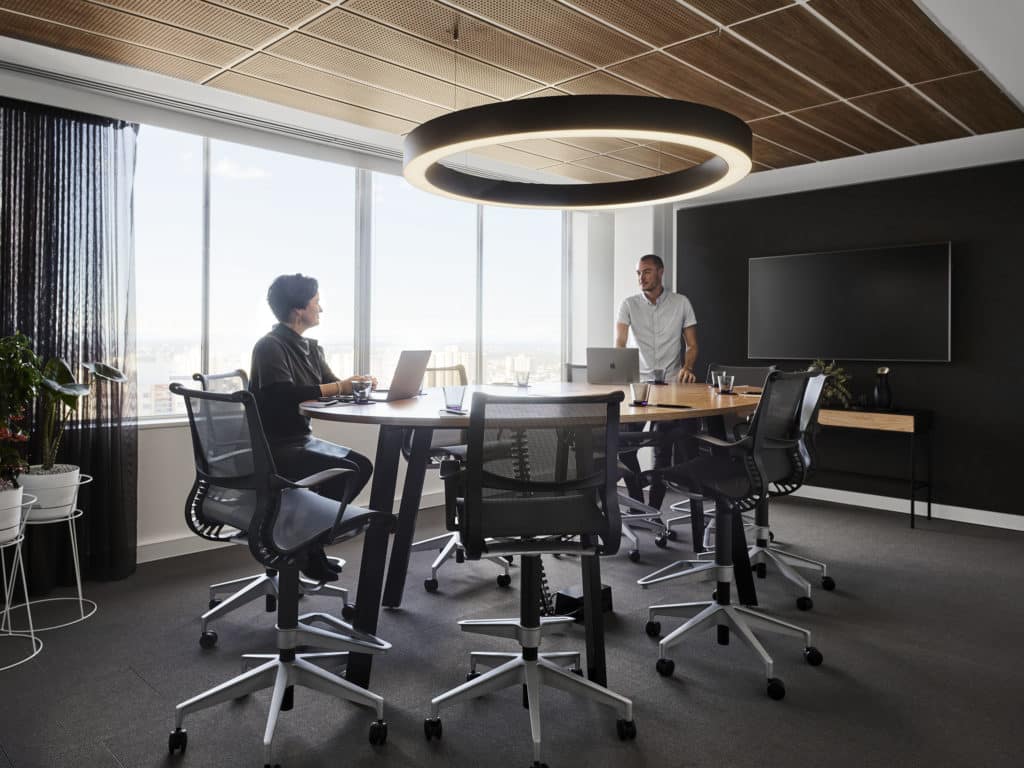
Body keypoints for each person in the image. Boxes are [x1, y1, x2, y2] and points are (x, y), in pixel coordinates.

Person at [249, 273, 375, 582]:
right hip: (277, 446)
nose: (321, 309)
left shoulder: (309, 348)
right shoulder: (270, 346)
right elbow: (283, 393)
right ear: (298, 310)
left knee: (358, 466)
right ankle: (307, 545)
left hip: (300, 439)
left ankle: (308, 544)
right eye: (316, 302)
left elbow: (330, 384)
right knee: (355, 467)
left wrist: (356, 383)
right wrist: (338, 387)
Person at [615, 253, 699, 509]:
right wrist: (618, 368)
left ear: (661, 272)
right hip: (638, 386)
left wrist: (687, 367)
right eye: (639, 273)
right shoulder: (628, 304)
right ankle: (637, 503)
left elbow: (692, 345)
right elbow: (620, 343)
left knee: (663, 449)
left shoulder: (681, 303)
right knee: (625, 445)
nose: (642, 278)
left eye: (647, 272)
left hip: (670, 386)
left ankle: (654, 506)